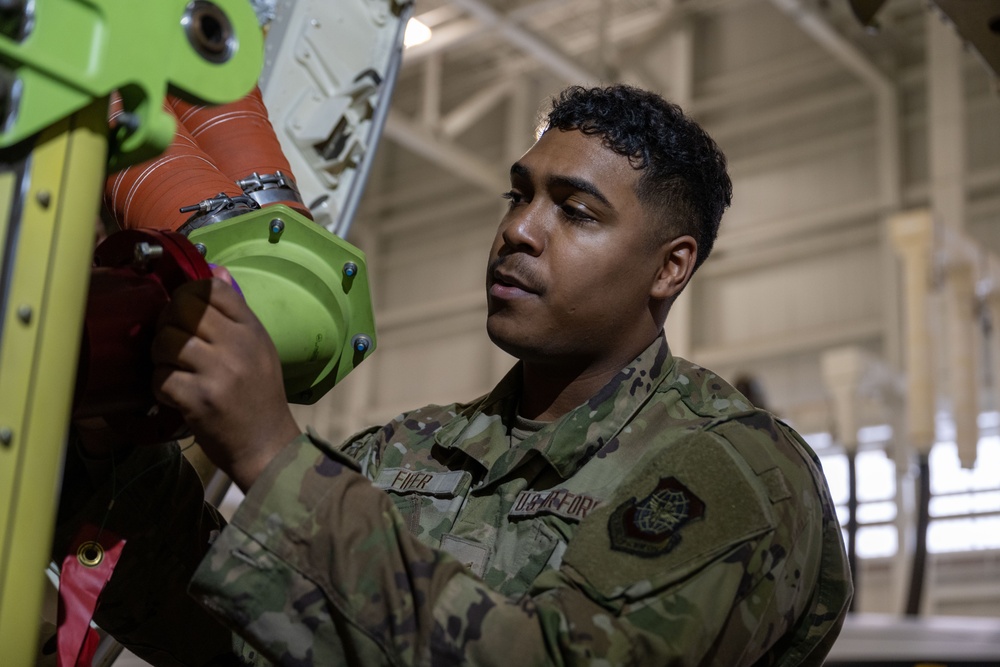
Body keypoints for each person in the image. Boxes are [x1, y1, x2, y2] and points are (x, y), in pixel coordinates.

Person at [54, 84, 851, 666]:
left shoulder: (731, 469)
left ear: (670, 267)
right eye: (518, 194)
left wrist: (269, 454)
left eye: (574, 211)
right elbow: (241, 634)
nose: (517, 231)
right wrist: (102, 441)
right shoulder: (410, 453)